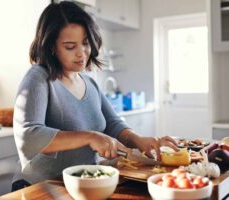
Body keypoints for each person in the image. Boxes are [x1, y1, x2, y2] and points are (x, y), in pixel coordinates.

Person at [12, 1, 178, 191]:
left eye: (85, 43)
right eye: (69, 46)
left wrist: (138, 140)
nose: (82, 53)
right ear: (51, 46)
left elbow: (113, 124)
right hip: (40, 187)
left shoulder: (89, 82)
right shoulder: (37, 78)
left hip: (79, 185)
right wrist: (89, 137)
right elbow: (28, 136)